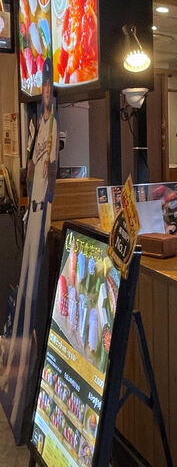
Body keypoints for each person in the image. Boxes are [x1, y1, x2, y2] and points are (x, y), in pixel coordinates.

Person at [0, 59, 57, 437]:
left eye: (49, 88)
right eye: (44, 89)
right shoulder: (39, 125)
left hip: (41, 213)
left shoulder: (49, 125)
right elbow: (34, 170)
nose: (46, 93)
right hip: (34, 213)